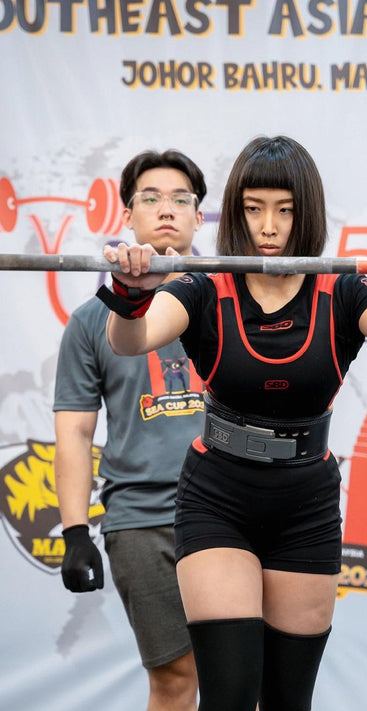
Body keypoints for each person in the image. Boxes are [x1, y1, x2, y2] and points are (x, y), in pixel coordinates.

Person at [95, 136, 367, 711]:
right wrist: (131, 296)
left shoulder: (345, 289)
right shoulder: (201, 285)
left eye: (285, 210)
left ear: (306, 211)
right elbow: (131, 340)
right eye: (254, 208)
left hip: (305, 503)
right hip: (218, 497)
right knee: (229, 698)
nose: (268, 226)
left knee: (288, 702)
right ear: (235, 209)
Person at [54, 149, 207, 711]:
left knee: (251, 676)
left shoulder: (240, 297)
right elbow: (73, 433)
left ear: (199, 216)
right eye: (151, 198)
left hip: (236, 508)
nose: (166, 209)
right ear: (127, 214)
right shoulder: (92, 321)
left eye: (180, 199)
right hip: (141, 519)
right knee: (174, 678)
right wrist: (74, 532)